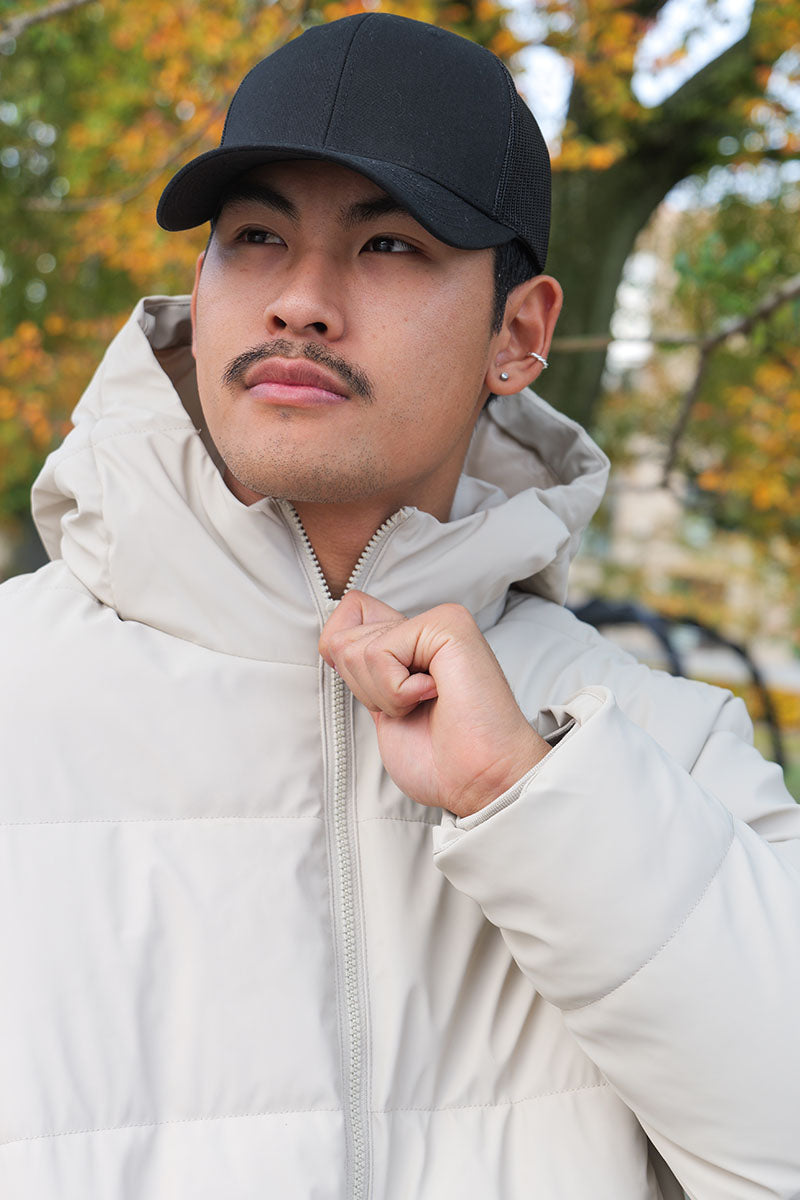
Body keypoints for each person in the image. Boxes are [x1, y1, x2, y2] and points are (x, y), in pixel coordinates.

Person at [1, 13, 799, 1199]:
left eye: (387, 245)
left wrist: (530, 801)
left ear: (518, 334)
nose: (300, 301)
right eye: (256, 236)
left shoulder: (661, 753)